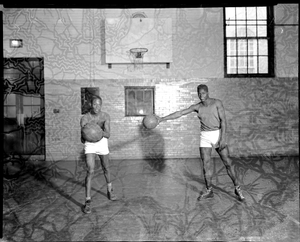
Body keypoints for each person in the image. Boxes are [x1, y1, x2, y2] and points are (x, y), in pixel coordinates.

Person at [157, 84, 245, 201]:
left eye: (203, 93)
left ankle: (237, 187)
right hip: (205, 137)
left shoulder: (217, 103)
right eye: (199, 93)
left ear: (207, 92)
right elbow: (180, 113)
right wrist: (162, 119)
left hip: (217, 134)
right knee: (205, 166)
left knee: (227, 163)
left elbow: (223, 121)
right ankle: (209, 190)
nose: (201, 95)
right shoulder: (197, 107)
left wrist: (223, 138)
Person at [80, 95, 117, 214]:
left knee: (106, 168)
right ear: (91, 105)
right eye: (94, 104)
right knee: (90, 170)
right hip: (90, 144)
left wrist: (97, 131)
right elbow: (83, 136)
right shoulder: (85, 117)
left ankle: (110, 190)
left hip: (101, 142)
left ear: (101, 105)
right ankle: (88, 201)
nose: (96, 106)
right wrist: (89, 133)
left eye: (99, 104)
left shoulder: (105, 116)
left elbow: (108, 134)